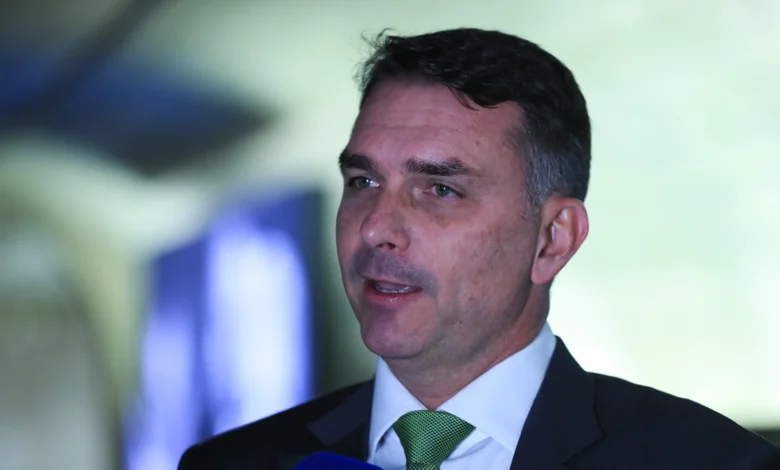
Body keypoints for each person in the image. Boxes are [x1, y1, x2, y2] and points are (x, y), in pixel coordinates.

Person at [178, 28, 780, 470]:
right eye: (363, 181)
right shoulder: (230, 464)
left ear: (553, 239)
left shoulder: (712, 462)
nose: (376, 227)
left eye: (440, 189)